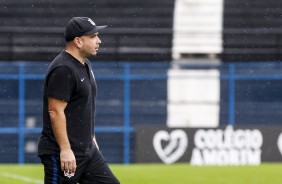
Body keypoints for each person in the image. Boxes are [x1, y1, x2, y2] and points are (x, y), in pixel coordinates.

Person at [38, 17, 120, 184]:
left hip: (87, 151)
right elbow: (55, 111)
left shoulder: (85, 64)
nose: (99, 41)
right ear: (78, 41)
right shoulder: (63, 68)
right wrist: (66, 150)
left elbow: (83, 107)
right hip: (63, 153)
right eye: (93, 36)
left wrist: (92, 139)